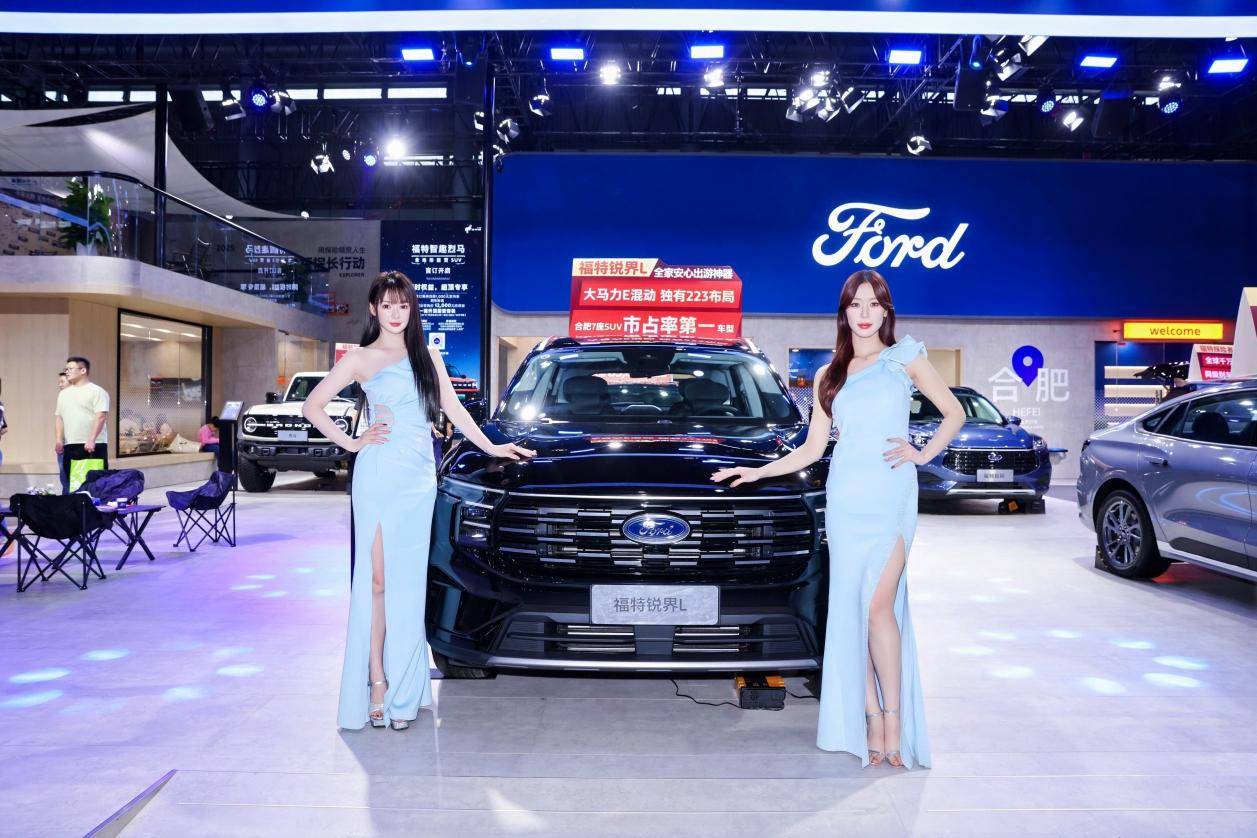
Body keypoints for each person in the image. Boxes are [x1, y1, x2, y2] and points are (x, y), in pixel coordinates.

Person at [712, 269, 963, 770]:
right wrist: (756, 471)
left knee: (879, 607)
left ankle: (894, 720)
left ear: (886, 311)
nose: (865, 313)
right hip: (846, 500)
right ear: (844, 312)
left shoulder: (905, 358)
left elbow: (953, 412)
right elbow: (812, 449)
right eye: (856, 304)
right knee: (850, 613)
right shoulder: (829, 375)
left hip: (891, 496)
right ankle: (869, 718)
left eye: (874, 304)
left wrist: (922, 453)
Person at [303, 270, 535, 731]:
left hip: (417, 479)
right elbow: (313, 405)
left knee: (408, 585)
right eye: (387, 305)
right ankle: (376, 680)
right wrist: (352, 443)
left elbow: (454, 409)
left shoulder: (427, 355)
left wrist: (491, 446)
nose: (396, 313)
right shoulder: (360, 358)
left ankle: (405, 692)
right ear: (374, 309)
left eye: (403, 305)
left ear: (412, 309)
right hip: (377, 473)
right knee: (376, 582)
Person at [55, 356, 110, 492]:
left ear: (83, 370)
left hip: (92, 445)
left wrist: (91, 439)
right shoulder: (63, 394)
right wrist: (59, 440)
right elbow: (59, 418)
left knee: (95, 485)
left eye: (70, 369)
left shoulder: (97, 391)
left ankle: (95, 506)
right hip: (70, 445)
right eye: (66, 369)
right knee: (73, 485)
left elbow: (101, 416)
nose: (67, 372)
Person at [55, 372, 70, 493]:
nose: (59, 385)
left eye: (62, 382)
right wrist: (59, 440)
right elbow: (59, 420)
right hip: (64, 442)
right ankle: (65, 499)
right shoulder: (61, 398)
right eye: (59, 382)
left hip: (77, 443)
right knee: (63, 475)